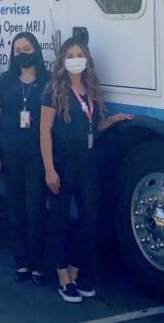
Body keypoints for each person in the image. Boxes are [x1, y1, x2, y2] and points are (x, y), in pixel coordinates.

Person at [40, 38, 133, 303]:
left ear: (87, 59)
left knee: (89, 219)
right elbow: (44, 131)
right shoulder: (53, 90)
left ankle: (75, 272)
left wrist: (111, 121)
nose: (75, 59)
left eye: (80, 54)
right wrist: (49, 169)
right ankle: (62, 277)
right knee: (58, 218)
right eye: (70, 55)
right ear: (62, 60)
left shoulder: (90, 88)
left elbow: (91, 127)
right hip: (62, 160)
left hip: (87, 161)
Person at [0, 32, 50, 283]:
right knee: (16, 210)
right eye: (17, 50)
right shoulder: (5, 80)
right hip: (10, 154)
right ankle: (22, 262)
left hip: (37, 156)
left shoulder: (48, 81)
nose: (22, 53)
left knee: (36, 210)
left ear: (36, 49)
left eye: (27, 48)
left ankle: (39, 264)